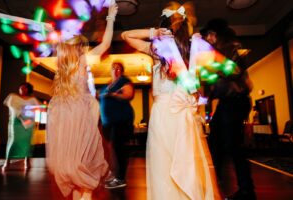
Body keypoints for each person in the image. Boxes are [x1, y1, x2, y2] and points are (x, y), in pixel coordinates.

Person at [122, 1, 222, 199]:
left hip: (165, 114)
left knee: (164, 166)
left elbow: (126, 35)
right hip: (181, 115)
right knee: (186, 165)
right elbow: (196, 87)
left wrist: (153, 33)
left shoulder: (159, 51)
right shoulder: (183, 50)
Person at [46, 3, 118, 200]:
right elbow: (105, 45)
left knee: (75, 163)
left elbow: (58, 41)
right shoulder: (82, 60)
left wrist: (52, 30)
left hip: (62, 114)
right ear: (78, 47)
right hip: (78, 113)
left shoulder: (62, 64)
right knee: (86, 161)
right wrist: (111, 17)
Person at [200, 18, 256, 200]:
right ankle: (217, 185)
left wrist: (212, 63)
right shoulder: (217, 53)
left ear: (214, 34)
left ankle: (246, 192)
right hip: (227, 102)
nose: (207, 40)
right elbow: (214, 85)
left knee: (233, 146)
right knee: (216, 142)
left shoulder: (232, 47)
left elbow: (235, 70)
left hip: (236, 101)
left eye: (207, 36)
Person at [98, 61, 135, 189]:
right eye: (113, 68)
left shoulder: (123, 81)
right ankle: (114, 174)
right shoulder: (107, 84)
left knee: (119, 148)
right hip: (108, 123)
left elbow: (128, 94)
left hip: (121, 120)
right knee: (110, 149)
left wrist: (113, 94)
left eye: (118, 68)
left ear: (122, 71)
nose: (116, 70)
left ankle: (120, 178)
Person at [2, 82, 40, 171]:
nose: (22, 89)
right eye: (21, 88)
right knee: (13, 141)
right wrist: (20, 112)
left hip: (28, 123)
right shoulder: (13, 97)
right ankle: (7, 161)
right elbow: (11, 107)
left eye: (25, 88)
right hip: (16, 122)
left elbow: (38, 108)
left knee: (27, 142)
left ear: (28, 89)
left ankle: (27, 160)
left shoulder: (32, 99)